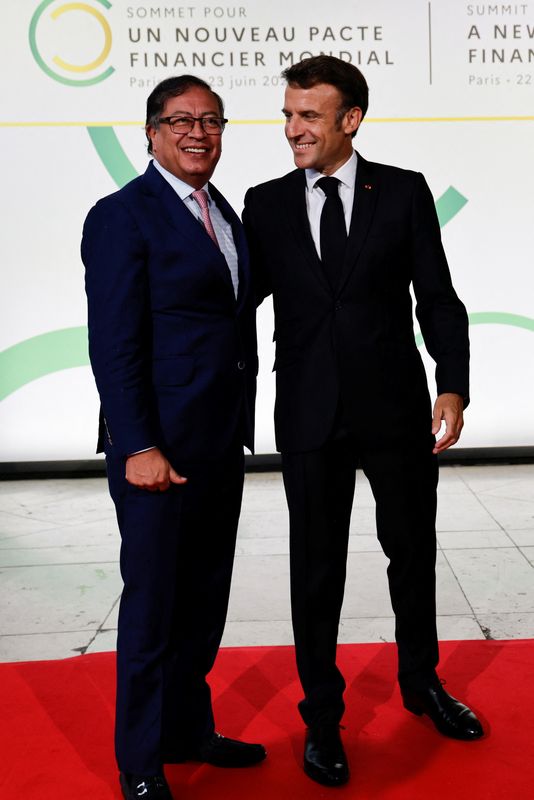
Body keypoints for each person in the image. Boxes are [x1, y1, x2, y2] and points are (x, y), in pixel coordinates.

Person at [243, 55, 483, 788]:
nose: (293, 130)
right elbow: (232, 309)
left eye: (308, 116)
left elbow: (437, 297)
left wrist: (453, 386)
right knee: (316, 573)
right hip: (309, 415)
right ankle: (322, 719)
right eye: (288, 115)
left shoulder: (403, 193)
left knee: (411, 554)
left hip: (393, 409)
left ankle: (422, 684)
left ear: (351, 119)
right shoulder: (264, 202)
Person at [82, 75, 265, 800]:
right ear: (151, 132)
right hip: (158, 447)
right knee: (154, 605)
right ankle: (140, 759)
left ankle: (190, 729)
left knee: (203, 601)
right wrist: (137, 445)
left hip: (220, 441)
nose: (200, 133)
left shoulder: (224, 211)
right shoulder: (122, 216)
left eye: (212, 120)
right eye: (182, 120)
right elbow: (114, 344)